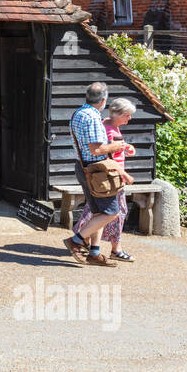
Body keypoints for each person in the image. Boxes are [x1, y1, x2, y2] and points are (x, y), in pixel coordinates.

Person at [64, 81, 132, 266]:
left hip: (83, 166)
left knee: (97, 212)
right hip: (96, 171)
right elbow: (96, 149)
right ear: (103, 100)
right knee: (111, 212)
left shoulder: (78, 113)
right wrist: (116, 146)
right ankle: (76, 240)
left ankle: (94, 252)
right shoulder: (93, 117)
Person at [75, 97, 137, 261]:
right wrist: (125, 175)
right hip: (110, 178)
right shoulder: (108, 130)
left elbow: (115, 151)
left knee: (97, 212)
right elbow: (106, 157)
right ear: (120, 114)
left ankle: (89, 244)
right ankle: (89, 242)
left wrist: (127, 148)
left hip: (111, 176)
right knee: (114, 212)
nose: (129, 119)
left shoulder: (110, 126)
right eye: (127, 115)